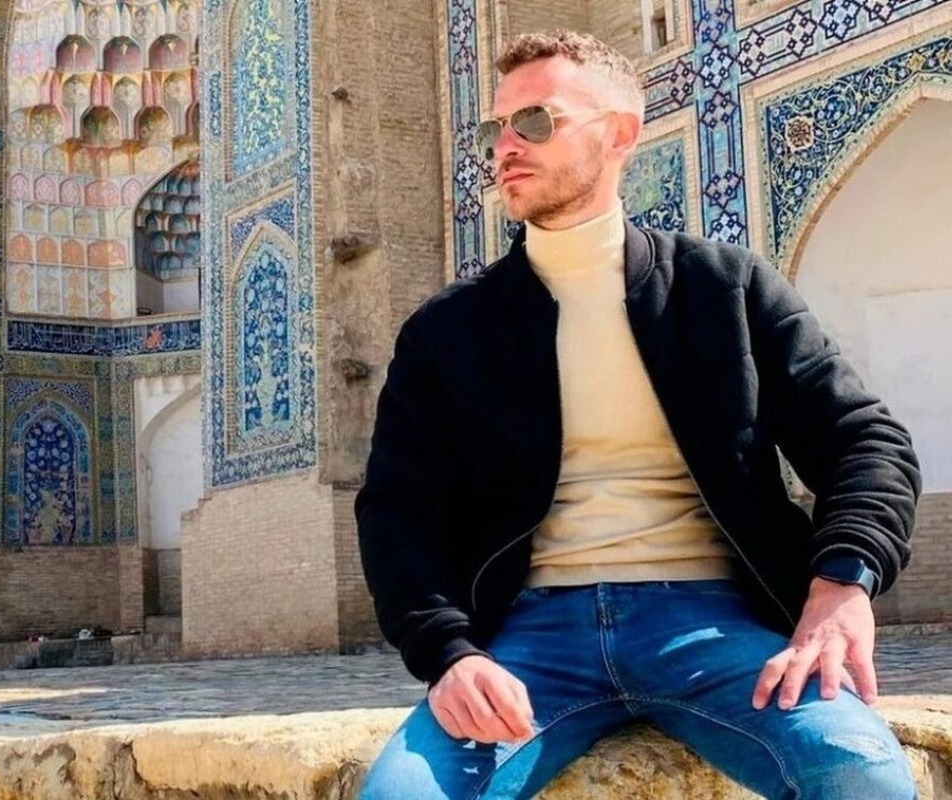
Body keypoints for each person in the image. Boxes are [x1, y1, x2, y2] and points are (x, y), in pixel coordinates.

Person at [355, 29, 921, 800]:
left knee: (860, 770)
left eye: (535, 122)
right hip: (529, 641)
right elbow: (396, 510)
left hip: (713, 623)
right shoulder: (449, 331)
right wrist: (449, 654)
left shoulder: (722, 289)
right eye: (495, 129)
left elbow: (865, 440)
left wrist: (842, 583)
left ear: (619, 134)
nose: (505, 148)